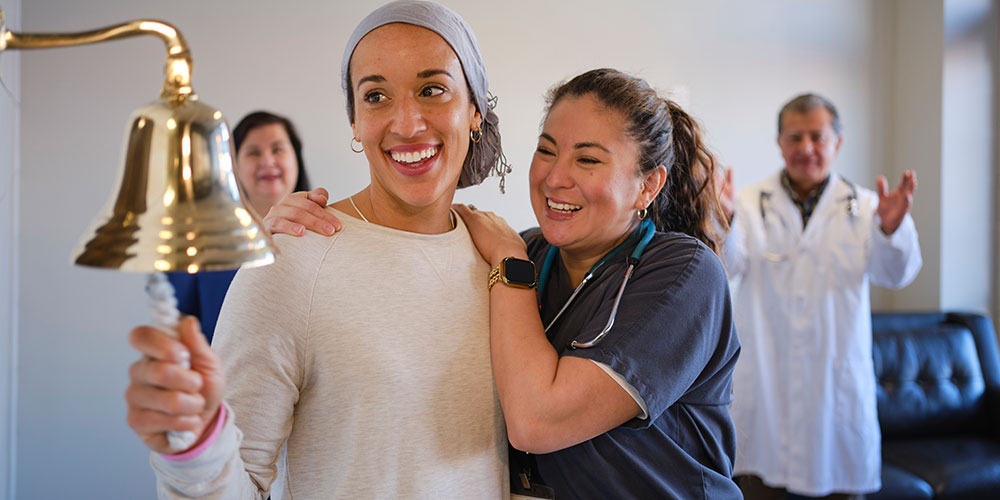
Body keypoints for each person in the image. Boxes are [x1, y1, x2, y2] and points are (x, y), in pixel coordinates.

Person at [271, 68, 743, 499]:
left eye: (587, 159)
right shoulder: (526, 250)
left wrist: (511, 264)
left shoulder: (684, 275)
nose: (555, 178)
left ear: (648, 185)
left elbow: (537, 422)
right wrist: (299, 225)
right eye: (546, 150)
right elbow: (407, 265)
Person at [124, 2, 510, 498]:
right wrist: (192, 447)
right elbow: (233, 483)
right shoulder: (294, 261)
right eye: (376, 96)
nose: (407, 123)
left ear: (475, 109)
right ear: (355, 123)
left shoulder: (503, 260)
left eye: (432, 89)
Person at [718, 93, 923, 499]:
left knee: (838, 485)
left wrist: (890, 231)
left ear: (837, 142)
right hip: (767, 390)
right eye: (795, 137)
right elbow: (726, 266)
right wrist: (722, 222)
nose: (806, 148)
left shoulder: (867, 207)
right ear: (779, 143)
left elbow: (897, 274)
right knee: (758, 487)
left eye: (817, 136)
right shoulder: (746, 204)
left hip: (835, 393)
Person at [167, 111, 315, 343]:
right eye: (253, 153)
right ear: (233, 166)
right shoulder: (195, 244)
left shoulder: (327, 235)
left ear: (296, 159)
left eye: (278, 150)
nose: (267, 161)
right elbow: (177, 334)